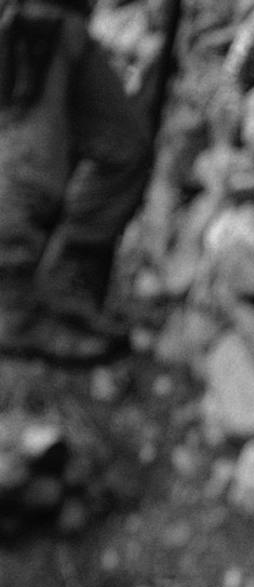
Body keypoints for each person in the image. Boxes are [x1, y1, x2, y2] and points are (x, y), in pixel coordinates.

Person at [0, 0, 153, 362]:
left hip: (69, 17)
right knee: (28, 171)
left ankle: (67, 287)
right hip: (31, 18)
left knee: (126, 147)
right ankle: (12, 313)